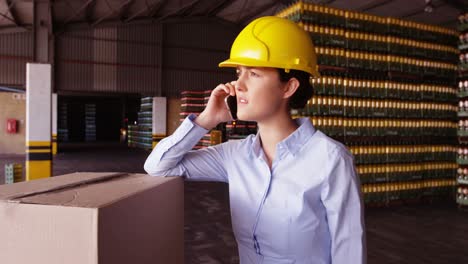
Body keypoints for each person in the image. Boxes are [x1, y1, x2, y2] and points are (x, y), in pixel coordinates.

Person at [144, 16, 366, 264]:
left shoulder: (330, 159)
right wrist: (206, 119)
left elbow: (349, 252)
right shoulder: (235, 155)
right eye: (238, 72)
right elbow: (159, 166)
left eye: (254, 74)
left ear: (288, 87)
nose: (238, 84)